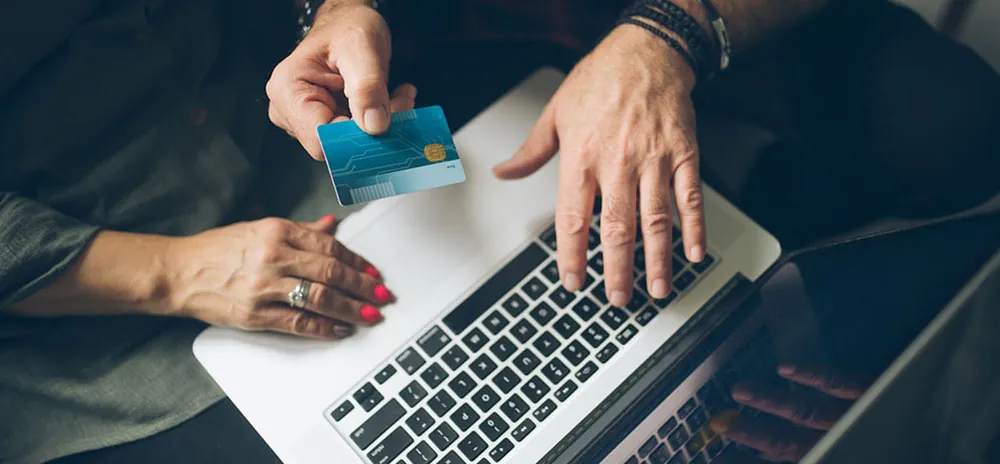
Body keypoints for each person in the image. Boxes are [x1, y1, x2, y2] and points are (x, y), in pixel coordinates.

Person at [0, 0, 997, 463]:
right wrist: (168, 273)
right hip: (96, 296)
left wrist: (669, 36)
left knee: (950, 128)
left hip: (324, 122)